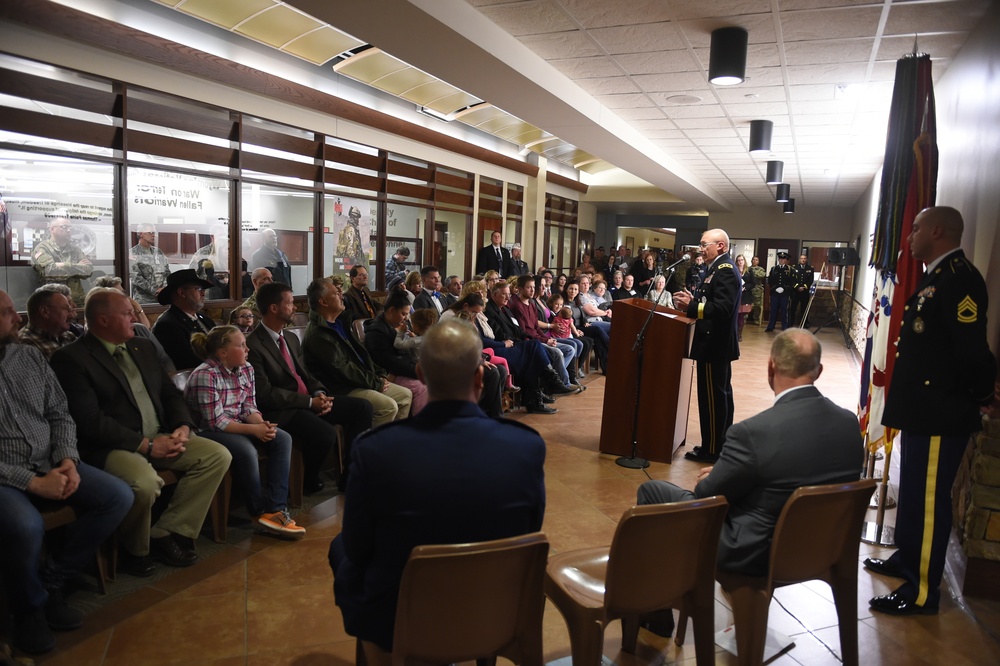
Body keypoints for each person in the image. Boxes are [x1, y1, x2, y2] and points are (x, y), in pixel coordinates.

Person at [328, 318, 546, 652]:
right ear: (480, 377)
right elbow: (529, 530)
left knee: (341, 547)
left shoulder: (376, 450)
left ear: (420, 375)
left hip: (401, 617)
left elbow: (359, 548)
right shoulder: (526, 447)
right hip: (496, 608)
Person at [637, 329, 863, 577]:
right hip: (826, 546)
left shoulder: (752, 432)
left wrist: (718, 476)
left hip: (756, 553)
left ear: (771, 367)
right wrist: (737, 470)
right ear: (818, 371)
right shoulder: (849, 423)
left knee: (651, 490)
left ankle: (655, 600)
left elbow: (706, 493)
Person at [868, 206, 998, 616]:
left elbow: (973, 352)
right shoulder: (937, 276)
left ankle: (921, 591)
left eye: (916, 227)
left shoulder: (959, 280)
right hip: (923, 410)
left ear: (938, 231)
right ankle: (907, 560)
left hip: (941, 411)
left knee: (928, 500)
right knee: (913, 495)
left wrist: (979, 397)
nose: (908, 236)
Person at [50, 289, 232, 576]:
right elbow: (89, 420)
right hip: (113, 445)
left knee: (216, 455)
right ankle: (135, 550)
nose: (136, 317)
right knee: (145, 482)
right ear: (103, 320)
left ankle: (165, 532)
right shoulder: (72, 359)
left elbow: (169, 393)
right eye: (127, 313)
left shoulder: (142, 347)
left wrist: (182, 426)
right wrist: (146, 445)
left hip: (160, 434)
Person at [0, 289, 133, 655]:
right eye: (7, 312)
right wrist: (34, 483)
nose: (17, 318)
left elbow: (60, 412)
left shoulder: (28, 356)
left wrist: (68, 459)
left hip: (51, 460)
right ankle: (30, 610)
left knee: (117, 496)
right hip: (6, 475)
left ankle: (51, 580)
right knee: (26, 526)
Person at [246, 282, 373, 494]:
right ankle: (309, 480)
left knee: (363, 408)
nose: (295, 307)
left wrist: (319, 393)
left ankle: (351, 476)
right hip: (284, 409)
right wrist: (309, 402)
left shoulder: (291, 338)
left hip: (308, 400)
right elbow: (265, 394)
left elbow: (307, 374)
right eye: (290, 303)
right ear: (274, 308)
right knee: (325, 434)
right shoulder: (254, 344)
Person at [185, 325, 304, 538]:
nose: (247, 349)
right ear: (223, 353)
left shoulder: (246, 368)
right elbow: (216, 422)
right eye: (241, 345)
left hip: (237, 425)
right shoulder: (206, 374)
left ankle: (277, 509)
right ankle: (257, 513)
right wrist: (253, 430)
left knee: (281, 438)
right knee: (247, 449)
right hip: (206, 431)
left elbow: (249, 406)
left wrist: (261, 425)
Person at [303, 277, 412, 427]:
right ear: (323, 302)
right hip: (342, 387)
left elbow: (363, 355)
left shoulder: (340, 323)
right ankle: (372, 447)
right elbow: (342, 369)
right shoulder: (318, 333)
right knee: (388, 406)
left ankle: (393, 441)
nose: (342, 295)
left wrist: (379, 374)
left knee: (405, 395)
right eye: (336, 293)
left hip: (360, 380)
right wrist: (375, 382)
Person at [672, 228, 740, 463]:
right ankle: (718, 444)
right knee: (719, 396)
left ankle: (712, 450)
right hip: (713, 344)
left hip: (715, 345)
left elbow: (722, 309)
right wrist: (693, 303)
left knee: (713, 399)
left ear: (720, 245)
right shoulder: (716, 269)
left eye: (704, 244)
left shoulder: (725, 270)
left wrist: (691, 307)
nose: (701, 249)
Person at [363, 290, 431, 414]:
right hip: (389, 374)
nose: (406, 318)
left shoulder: (399, 325)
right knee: (422, 388)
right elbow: (391, 362)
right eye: (403, 314)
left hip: (403, 369)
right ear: (391, 310)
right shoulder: (376, 333)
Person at [152, 269, 218, 370]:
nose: (203, 294)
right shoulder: (167, 325)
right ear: (182, 292)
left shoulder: (204, 318)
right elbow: (188, 361)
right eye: (198, 289)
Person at [31, 217, 93, 307]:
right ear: (52, 229)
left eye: (70, 228)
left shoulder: (75, 249)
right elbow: (50, 270)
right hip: (53, 302)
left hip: (77, 301)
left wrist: (62, 265)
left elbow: (89, 270)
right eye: (64, 227)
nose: (69, 230)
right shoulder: (42, 248)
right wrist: (76, 266)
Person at [17, 287, 77, 360]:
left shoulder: (69, 336)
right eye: (66, 309)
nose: (72, 315)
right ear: (44, 312)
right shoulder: (25, 344)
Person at [129, 223, 171, 304]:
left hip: (162, 298)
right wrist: (155, 291)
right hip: (144, 300)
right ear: (141, 234)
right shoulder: (133, 253)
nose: (153, 235)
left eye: (154, 233)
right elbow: (136, 278)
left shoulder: (158, 252)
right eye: (150, 233)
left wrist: (164, 288)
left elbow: (167, 272)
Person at [765, 252, 792, 332]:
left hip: (784, 293)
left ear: (786, 260)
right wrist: (775, 288)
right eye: (780, 258)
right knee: (773, 310)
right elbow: (770, 280)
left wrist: (784, 288)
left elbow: (791, 281)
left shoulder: (790, 269)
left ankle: (784, 326)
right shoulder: (774, 269)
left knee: (784, 310)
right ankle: (771, 326)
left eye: (783, 259)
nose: (781, 260)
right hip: (775, 293)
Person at [789, 253, 814, 327]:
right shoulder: (794, 267)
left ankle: (805, 323)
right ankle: (790, 323)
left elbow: (810, 280)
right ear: (799, 259)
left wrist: (805, 287)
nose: (803, 260)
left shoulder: (810, 268)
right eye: (802, 258)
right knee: (793, 308)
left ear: (806, 260)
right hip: (795, 292)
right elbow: (792, 279)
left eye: (804, 258)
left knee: (804, 309)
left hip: (805, 292)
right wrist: (797, 287)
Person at [735, 254, 756, 341]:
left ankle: (739, 335)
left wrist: (745, 287)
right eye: (739, 260)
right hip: (736, 296)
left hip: (745, 296)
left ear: (744, 261)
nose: (740, 262)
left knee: (741, 317)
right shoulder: (734, 270)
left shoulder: (749, 271)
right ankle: (734, 334)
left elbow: (753, 283)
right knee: (735, 316)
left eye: (742, 260)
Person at [748, 256, 766, 324]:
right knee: (747, 304)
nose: (754, 261)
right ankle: (745, 318)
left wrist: (752, 274)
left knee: (757, 305)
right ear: (751, 261)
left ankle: (756, 319)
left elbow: (762, 275)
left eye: (756, 260)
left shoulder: (760, 269)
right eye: (753, 260)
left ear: (758, 262)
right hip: (749, 289)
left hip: (757, 289)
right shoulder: (747, 269)